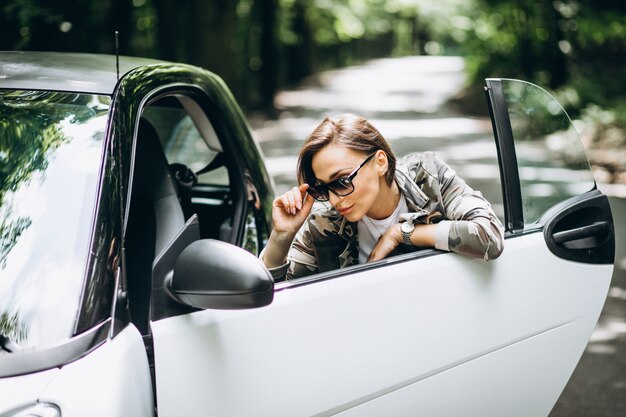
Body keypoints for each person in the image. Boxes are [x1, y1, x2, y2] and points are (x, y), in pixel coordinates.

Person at [261, 114, 504, 281]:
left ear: (379, 162)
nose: (334, 200)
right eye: (323, 189)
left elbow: (489, 235)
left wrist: (403, 233)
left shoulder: (429, 178)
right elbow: (281, 297)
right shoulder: (324, 224)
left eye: (343, 181)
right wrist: (281, 236)